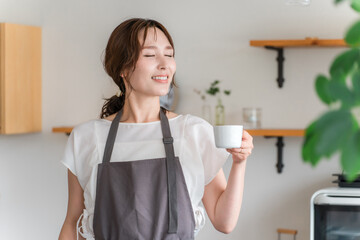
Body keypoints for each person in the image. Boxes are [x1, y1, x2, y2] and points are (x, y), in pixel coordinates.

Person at [58, 18, 254, 240]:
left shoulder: (193, 132)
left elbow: (224, 222)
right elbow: (72, 223)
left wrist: (240, 162)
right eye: (150, 55)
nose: (165, 64)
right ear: (123, 67)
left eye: (169, 54)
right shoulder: (87, 137)